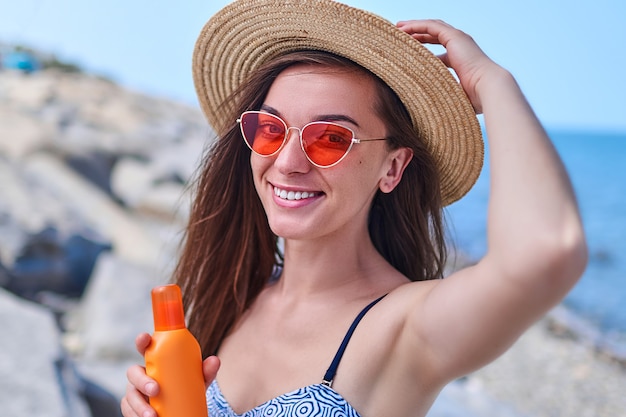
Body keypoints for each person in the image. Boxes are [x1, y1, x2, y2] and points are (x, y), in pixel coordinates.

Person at [121, 1, 587, 416]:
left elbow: (547, 251)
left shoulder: (405, 327)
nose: (287, 162)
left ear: (392, 168)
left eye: (330, 138)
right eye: (271, 128)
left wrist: (495, 83)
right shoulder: (234, 293)